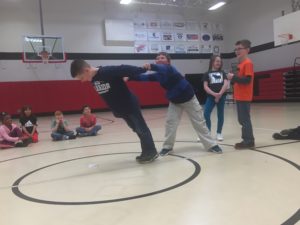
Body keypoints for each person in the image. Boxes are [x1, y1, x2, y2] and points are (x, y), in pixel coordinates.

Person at [130, 52, 223, 155]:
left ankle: (211, 145)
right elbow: (143, 78)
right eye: (157, 58)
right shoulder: (158, 75)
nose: (159, 59)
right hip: (175, 102)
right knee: (170, 124)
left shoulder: (170, 69)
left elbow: (162, 68)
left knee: (199, 123)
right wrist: (129, 77)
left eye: (162, 58)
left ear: (168, 62)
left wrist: (151, 66)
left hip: (189, 99)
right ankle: (167, 147)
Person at [70, 59, 158, 163]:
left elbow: (124, 68)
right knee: (136, 129)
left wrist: (142, 69)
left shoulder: (107, 71)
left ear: (86, 70)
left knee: (141, 129)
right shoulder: (93, 79)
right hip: (121, 109)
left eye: (81, 78)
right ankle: (146, 152)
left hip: (130, 105)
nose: (82, 81)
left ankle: (151, 152)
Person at [227, 39, 255, 149]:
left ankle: (248, 141)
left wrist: (233, 77)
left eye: (240, 49)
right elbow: (239, 80)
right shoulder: (240, 64)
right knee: (242, 119)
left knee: (244, 119)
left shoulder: (248, 63)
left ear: (247, 50)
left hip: (244, 96)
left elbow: (247, 80)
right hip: (239, 96)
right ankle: (247, 139)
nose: (237, 51)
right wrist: (233, 79)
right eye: (236, 49)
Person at [202, 55, 229, 141]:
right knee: (206, 113)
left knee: (220, 114)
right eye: (217, 61)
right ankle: (208, 132)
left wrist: (220, 94)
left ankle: (219, 133)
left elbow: (225, 84)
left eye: (220, 61)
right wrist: (214, 94)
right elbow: (205, 86)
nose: (218, 63)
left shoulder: (223, 73)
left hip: (222, 96)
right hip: (211, 97)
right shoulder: (207, 73)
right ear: (212, 62)